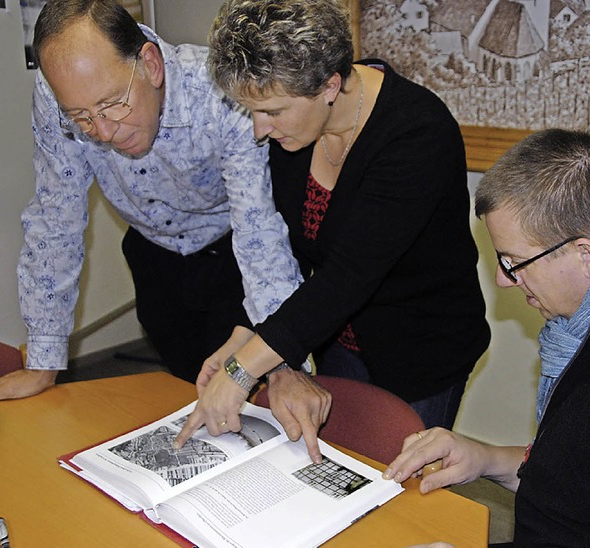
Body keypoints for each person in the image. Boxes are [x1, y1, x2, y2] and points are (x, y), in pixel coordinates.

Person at [175, 0, 490, 451]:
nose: (260, 130)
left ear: (329, 85)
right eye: (253, 111)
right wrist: (244, 333)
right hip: (334, 337)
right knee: (338, 467)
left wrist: (243, 369)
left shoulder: (417, 134)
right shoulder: (297, 134)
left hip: (420, 349)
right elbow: (291, 256)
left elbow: (347, 276)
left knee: (398, 484)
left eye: (274, 112)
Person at [0, 0, 322, 413]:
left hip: (232, 259)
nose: (105, 132)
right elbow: (55, 219)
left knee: (245, 401)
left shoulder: (219, 93)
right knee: (184, 397)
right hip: (154, 257)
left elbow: (259, 230)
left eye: (113, 104)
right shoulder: (60, 96)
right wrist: (43, 359)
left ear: (150, 65)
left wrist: (282, 358)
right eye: (82, 117)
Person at [384, 129, 590, 546]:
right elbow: (586, 476)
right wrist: (486, 458)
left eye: (514, 261)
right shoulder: (588, 321)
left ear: (586, 255)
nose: (502, 280)